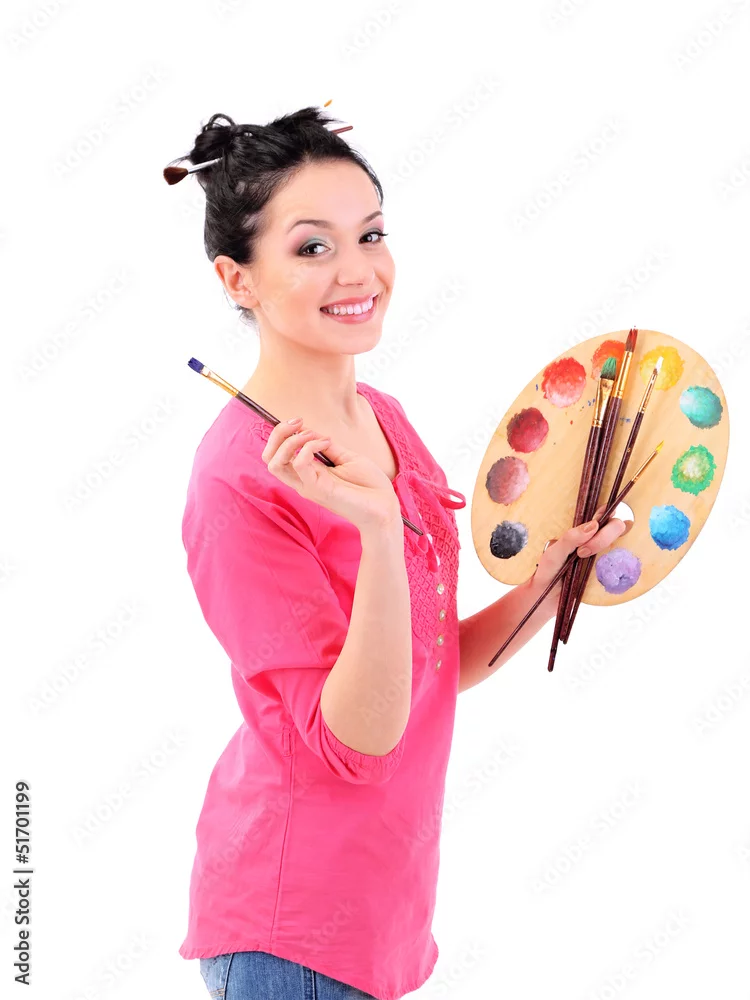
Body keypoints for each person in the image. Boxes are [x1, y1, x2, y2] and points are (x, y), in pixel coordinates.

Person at [173, 108, 629, 1000]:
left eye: (371, 234)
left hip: (385, 918)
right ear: (237, 278)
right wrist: (380, 532)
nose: (359, 271)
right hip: (291, 931)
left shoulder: (383, 419)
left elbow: (429, 665)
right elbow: (362, 736)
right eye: (312, 247)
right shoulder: (236, 482)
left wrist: (549, 583)